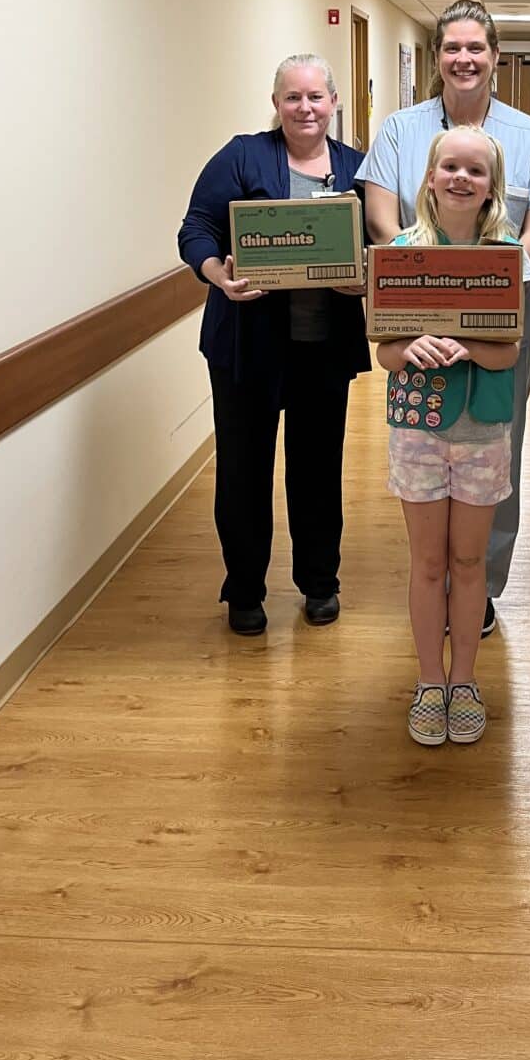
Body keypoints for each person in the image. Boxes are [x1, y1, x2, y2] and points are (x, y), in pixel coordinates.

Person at [358, 0, 530, 635]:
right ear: (436, 57)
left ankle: (480, 585)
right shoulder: (398, 129)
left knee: (499, 432)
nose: (464, 59)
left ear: (495, 58)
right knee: (426, 434)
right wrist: (428, 279)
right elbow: (382, 216)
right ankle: (432, 579)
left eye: (477, 49)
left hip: (507, 296)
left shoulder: (528, 135)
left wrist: (485, 284)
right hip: (416, 295)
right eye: (452, 49)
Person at [178, 53, 370, 636]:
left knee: (316, 472)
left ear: (335, 102)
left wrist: (365, 277)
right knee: (243, 471)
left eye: (316, 97)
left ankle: (319, 583)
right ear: (276, 103)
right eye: (293, 97)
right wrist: (219, 274)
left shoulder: (357, 169)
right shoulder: (241, 156)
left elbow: (387, 242)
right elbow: (196, 229)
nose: (305, 108)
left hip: (321, 349)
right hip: (247, 349)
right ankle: (244, 592)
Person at [375, 128, 527, 746]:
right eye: (450, 167)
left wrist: (467, 344)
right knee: (428, 562)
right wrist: (410, 344)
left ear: (492, 186)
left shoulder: (505, 253)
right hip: (418, 429)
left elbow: (510, 351)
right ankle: (429, 682)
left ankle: (464, 680)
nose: (461, 178)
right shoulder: (404, 251)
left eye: (476, 170)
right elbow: (385, 352)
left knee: (469, 563)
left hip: (481, 433)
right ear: (431, 177)